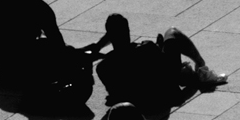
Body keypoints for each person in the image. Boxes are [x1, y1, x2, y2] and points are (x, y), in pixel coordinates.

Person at [0, 0, 95, 109]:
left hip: (3, 65)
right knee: (61, 55)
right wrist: (78, 54)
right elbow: (58, 46)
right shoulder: (40, 8)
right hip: (26, 68)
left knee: (44, 46)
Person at [92, 14, 226, 112]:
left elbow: (115, 94)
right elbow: (163, 68)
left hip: (137, 102)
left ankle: (187, 74)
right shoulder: (146, 48)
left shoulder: (103, 67)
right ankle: (201, 68)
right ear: (128, 31)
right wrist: (159, 47)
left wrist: (97, 47)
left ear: (110, 36)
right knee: (172, 33)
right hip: (165, 96)